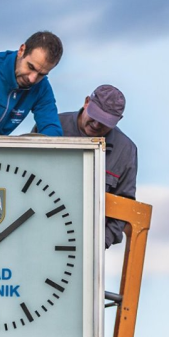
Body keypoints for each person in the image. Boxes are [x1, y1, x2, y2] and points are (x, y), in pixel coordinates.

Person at [52, 85, 137, 247]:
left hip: (88, 244)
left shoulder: (126, 151)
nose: (97, 125)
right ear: (86, 102)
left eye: (105, 122)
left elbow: (123, 207)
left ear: (119, 120)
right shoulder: (54, 126)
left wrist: (98, 244)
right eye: (95, 116)